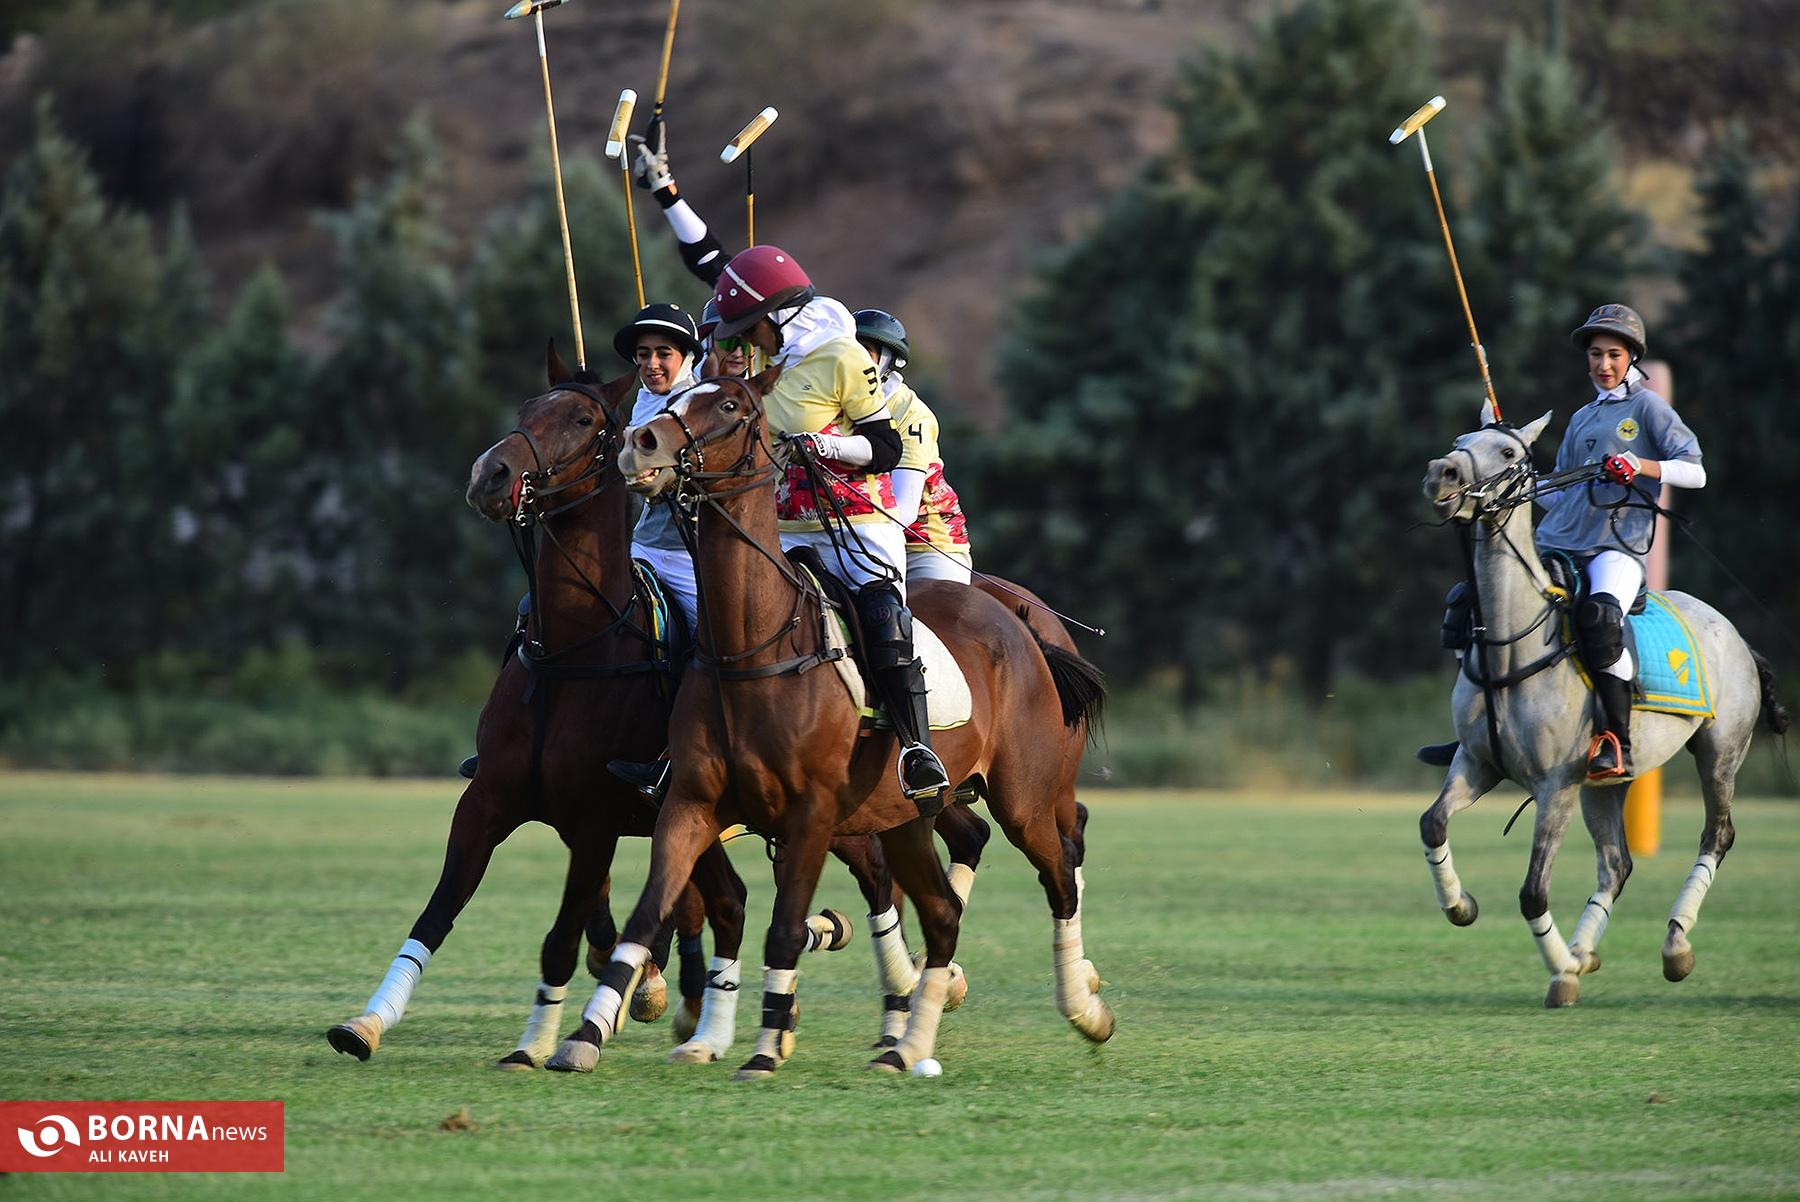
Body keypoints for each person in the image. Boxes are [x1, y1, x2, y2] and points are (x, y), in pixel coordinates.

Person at [709, 244, 952, 811]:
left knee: (884, 617)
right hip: (782, 525)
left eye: (751, 328)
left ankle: (916, 748)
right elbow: (710, 264)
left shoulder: (843, 357)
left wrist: (827, 446)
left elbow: (885, 448)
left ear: (776, 316)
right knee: (720, 612)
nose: (746, 339)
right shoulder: (754, 367)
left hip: (855, 523)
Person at [1420, 304, 1705, 781]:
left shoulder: (1648, 408)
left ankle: (1615, 739)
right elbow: (1559, 493)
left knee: (1600, 618)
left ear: (1632, 357)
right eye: (1596, 354)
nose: (1604, 364)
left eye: (1614, 354)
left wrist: (1640, 466)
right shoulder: (1582, 418)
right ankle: (1474, 729)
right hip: (1562, 541)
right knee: (1467, 602)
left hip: (1616, 549)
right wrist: (1509, 466)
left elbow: (1695, 471)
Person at [461, 303, 704, 783]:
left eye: (664, 353)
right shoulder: (641, 403)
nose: (652, 364)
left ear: (687, 357)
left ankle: (680, 759)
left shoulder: (700, 404)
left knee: (701, 643)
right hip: (643, 548)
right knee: (536, 612)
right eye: (643, 354)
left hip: (692, 555)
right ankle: (506, 735)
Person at [852, 309, 974, 585]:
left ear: (889, 362)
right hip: (853, 533)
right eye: (849, 349)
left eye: (865, 351)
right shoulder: (827, 402)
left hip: (923, 544)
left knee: (937, 610)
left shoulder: (911, 413)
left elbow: (904, 510)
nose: (853, 360)